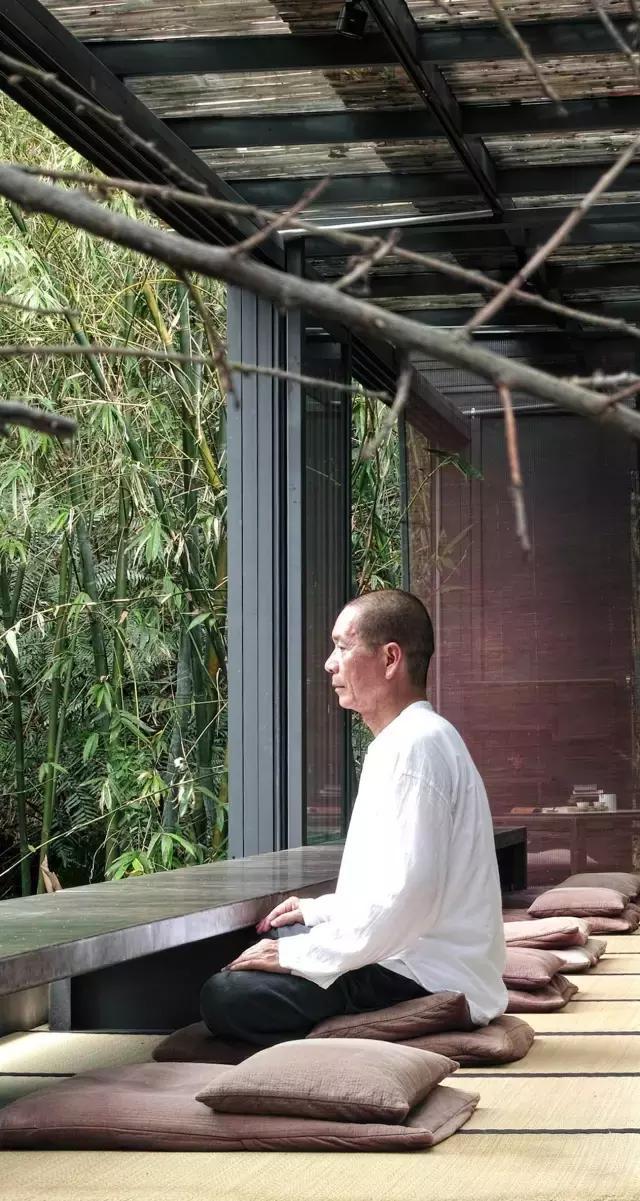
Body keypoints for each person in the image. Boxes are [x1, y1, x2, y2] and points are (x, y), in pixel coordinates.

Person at [200, 589, 507, 1045]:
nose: (330, 664)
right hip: (408, 951)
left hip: (422, 973)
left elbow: (409, 897)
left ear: (390, 659)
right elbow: (390, 888)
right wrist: (319, 911)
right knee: (287, 931)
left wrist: (298, 956)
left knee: (226, 995)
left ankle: (349, 1029)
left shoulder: (414, 747)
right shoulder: (413, 738)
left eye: (343, 647)